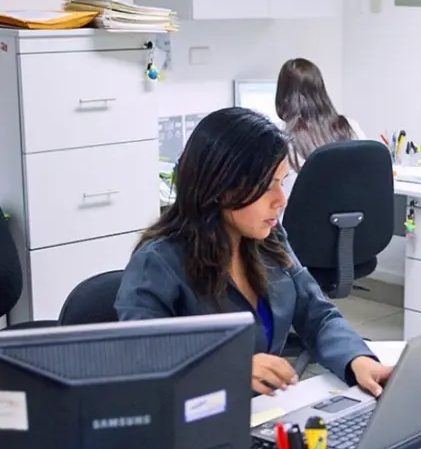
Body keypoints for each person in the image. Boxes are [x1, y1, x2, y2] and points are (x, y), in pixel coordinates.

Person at [116, 107, 391, 398]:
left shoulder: (268, 239)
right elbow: (141, 358)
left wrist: (358, 360)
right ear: (221, 187)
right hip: (196, 425)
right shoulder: (159, 262)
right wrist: (229, 366)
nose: (281, 200)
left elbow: (317, 315)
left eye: (282, 183)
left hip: (261, 415)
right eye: (268, 187)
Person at [274, 57, 367, 200]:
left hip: (297, 220)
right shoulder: (349, 126)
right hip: (349, 219)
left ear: (283, 95)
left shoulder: (279, 136)